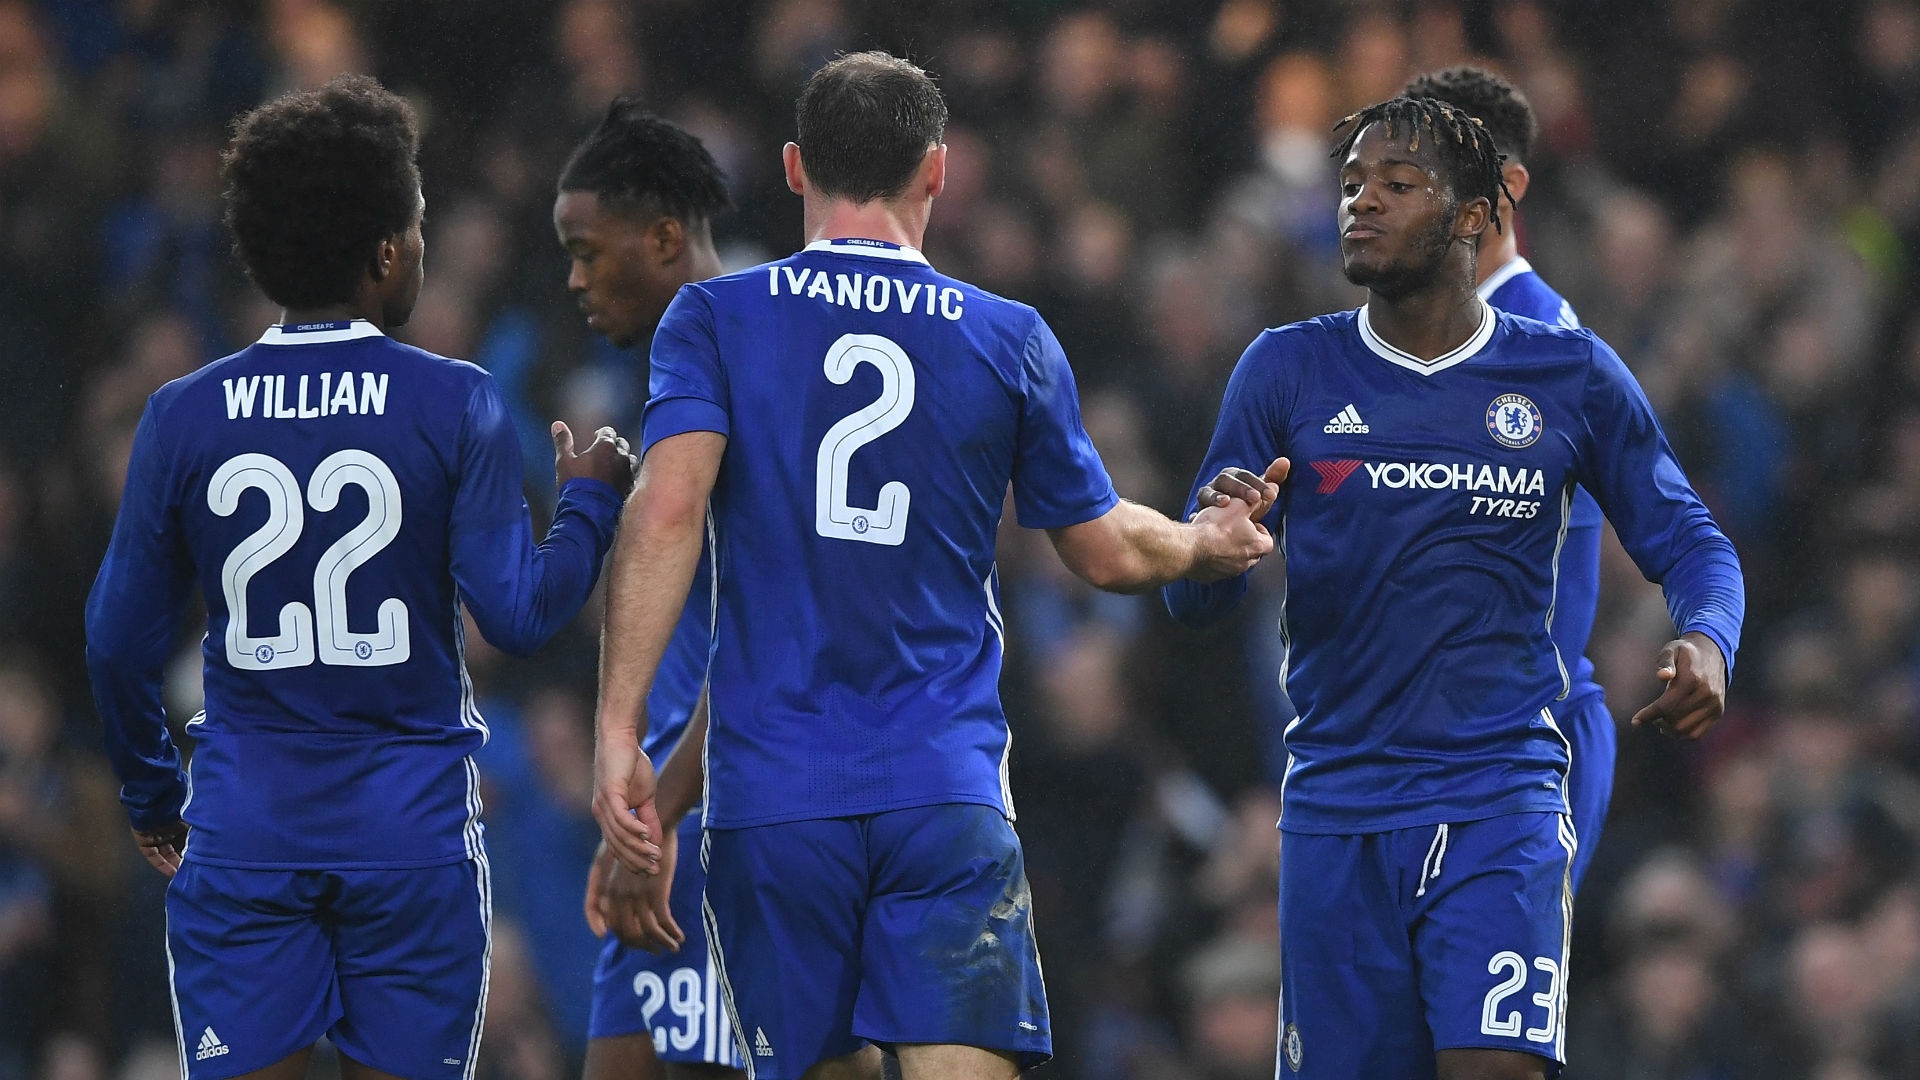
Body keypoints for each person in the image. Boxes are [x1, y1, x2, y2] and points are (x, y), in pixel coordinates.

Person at [589, 51, 1274, 1080]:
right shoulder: (1010, 337)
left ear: (791, 167)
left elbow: (667, 507)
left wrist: (616, 732)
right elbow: (1102, 549)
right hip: (940, 789)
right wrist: (1203, 541)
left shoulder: (716, 317)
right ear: (937, 173)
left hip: (776, 798)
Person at [1165, 95, 1745, 1080]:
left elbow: (1693, 543)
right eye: (1351, 185)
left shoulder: (1568, 374)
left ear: (1477, 213)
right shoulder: (1286, 369)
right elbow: (1193, 599)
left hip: (1499, 795)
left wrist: (1707, 639)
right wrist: (1213, 551)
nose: (1363, 204)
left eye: (1397, 185)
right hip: (1337, 807)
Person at [84, 75, 638, 1080]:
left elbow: (115, 638)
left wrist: (153, 795)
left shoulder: (182, 415)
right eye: (418, 222)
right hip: (409, 839)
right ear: (387, 252)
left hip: (248, 830)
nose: (422, 242)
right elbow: (518, 615)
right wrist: (591, 500)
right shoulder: (454, 401)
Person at [552, 98, 743, 1080]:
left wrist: (658, 819)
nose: (576, 279)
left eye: (589, 250)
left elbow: (762, 641)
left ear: (665, 237)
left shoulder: (750, 369)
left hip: (723, 817)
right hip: (664, 821)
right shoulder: (672, 374)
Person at [1403, 66, 1611, 894]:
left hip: (1509, 759)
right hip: (1416, 758)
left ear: (1508, 187)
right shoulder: (1414, 343)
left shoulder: (1541, 352)